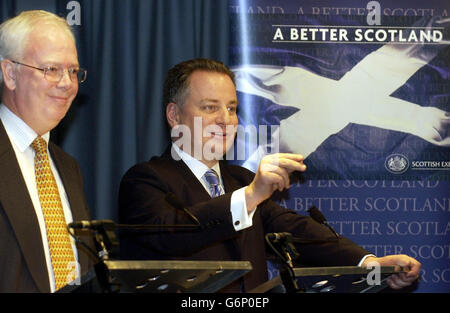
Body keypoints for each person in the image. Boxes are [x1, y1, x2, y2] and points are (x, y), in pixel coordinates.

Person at [118, 58, 420, 292]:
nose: (225, 120)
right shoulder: (145, 180)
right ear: (174, 115)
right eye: (210, 107)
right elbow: (173, 235)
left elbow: (297, 232)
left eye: (232, 108)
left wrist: (369, 263)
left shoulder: (238, 179)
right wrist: (250, 196)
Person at [0, 10, 93, 292]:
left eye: (73, 71)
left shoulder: (68, 167)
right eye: (51, 69)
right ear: (10, 74)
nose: (67, 83)